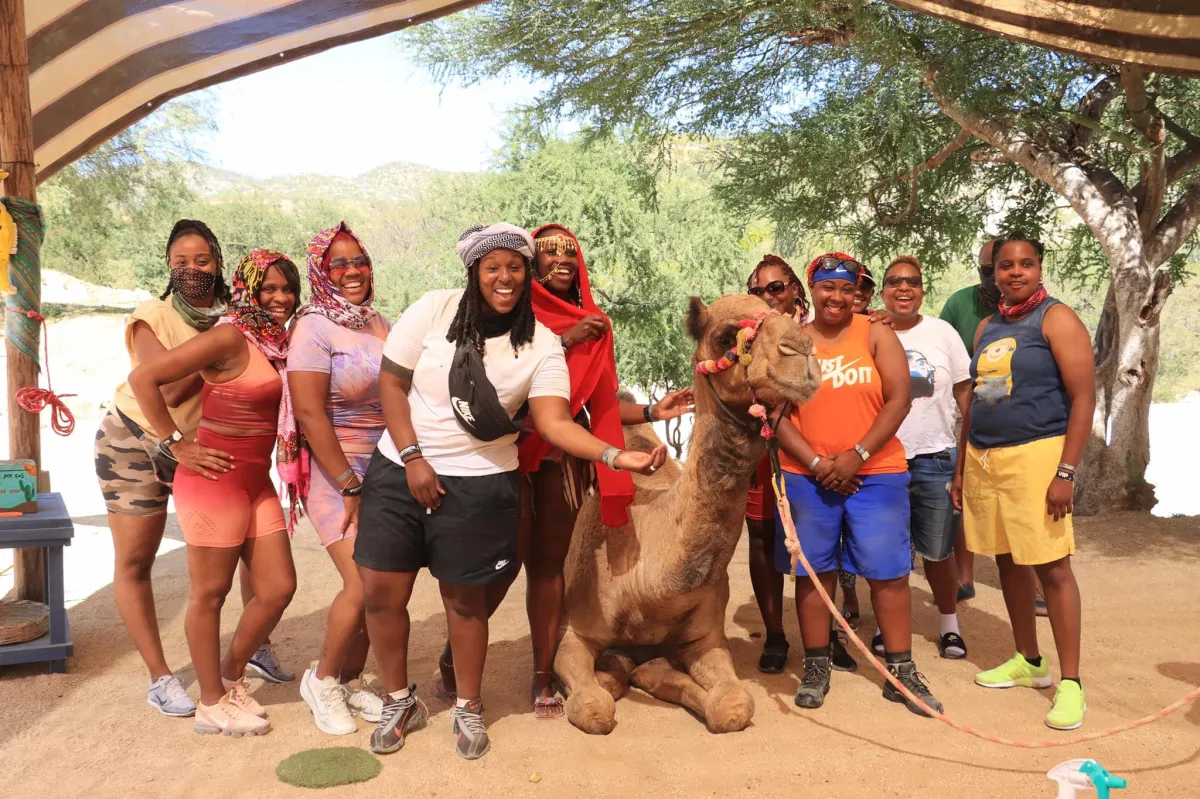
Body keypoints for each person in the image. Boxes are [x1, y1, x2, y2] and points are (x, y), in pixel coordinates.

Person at [354, 224, 665, 760]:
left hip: (480, 482)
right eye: (492, 266)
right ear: (474, 271)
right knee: (382, 593)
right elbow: (391, 383)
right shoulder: (434, 309)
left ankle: (470, 706)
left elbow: (554, 422)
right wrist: (412, 458)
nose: (505, 276)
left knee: (465, 602)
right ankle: (399, 698)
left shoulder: (540, 343)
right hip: (400, 470)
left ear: (526, 275)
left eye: (515, 266)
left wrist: (615, 455)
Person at [129, 249, 302, 737]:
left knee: (277, 588)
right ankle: (209, 703)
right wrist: (175, 443)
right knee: (210, 593)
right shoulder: (230, 334)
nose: (280, 297)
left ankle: (228, 677)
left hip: (254, 481)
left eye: (287, 287)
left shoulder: (281, 342)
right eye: (268, 288)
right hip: (213, 480)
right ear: (247, 289)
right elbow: (145, 377)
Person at [775, 252, 942, 716]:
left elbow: (899, 398)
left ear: (857, 293)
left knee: (888, 573)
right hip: (809, 475)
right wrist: (817, 463)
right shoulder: (793, 341)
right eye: (828, 287)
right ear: (813, 289)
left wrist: (857, 456)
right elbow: (777, 414)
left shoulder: (877, 332)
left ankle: (900, 670)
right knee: (814, 572)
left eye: (847, 289)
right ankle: (816, 663)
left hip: (876, 472)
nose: (837, 297)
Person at [951, 236, 1095, 731]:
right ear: (993, 274)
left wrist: (1066, 472)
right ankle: (1028, 661)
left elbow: (1083, 398)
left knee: (1052, 567)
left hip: (1038, 456)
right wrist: (961, 466)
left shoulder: (1056, 319)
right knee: (1008, 559)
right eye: (1005, 266)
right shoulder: (989, 327)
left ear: (1039, 268)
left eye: (1025, 264)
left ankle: (1071, 684)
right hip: (985, 458)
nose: (1014, 273)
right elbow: (979, 400)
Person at [94, 219, 229, 718]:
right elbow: (165, 391)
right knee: (135, 561)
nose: (192, 270)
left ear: (218, 261)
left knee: (230, 548)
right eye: (181, 263)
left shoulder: (230, 316)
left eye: (202, 260)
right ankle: (160, 677)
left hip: (200, 444)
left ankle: (253, 646)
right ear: (168, 268)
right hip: (134, 439)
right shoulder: (152, 313)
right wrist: (224, 347)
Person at [289, 223, 392, 734]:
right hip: (338, 474)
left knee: (383, 582)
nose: (352, 271)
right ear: (320, 273)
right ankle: (323, 678)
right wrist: (349, 482)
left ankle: (350, 683)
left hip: (386, 470)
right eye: (339, 264)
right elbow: (309, 413)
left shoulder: (378, 322)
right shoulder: (312, 327)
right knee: (363, 581)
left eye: (359, 260)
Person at [881, 256, 971, 660]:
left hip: (936, 457)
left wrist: (964, 466)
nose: (904, 288)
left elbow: (966, 401)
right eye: (895, 281)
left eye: (912, 282)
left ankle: (949, 625)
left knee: (938, 552)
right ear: (882, 291)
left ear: (922, 290)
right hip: (884, 460)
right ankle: (889, 628)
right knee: (891, 552)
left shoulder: (943, 333)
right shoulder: (869, 332)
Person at [743, 255, 808, 674]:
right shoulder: (743, 339)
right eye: (756, 291)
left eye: (775, 288)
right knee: (763, 538)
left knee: (817, 540)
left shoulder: (823, 332)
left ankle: (825, 635)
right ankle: (775, 635)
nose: (767, 297)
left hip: (814, 452)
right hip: (762, 454)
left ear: (795, 290)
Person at [938, 240, 999, 604]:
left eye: (999, 268)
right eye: (985, 270)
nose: (992, 277)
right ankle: (964, 576)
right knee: (960, 490)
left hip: (1017, 411)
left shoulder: (1037, 309)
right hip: (967, 404)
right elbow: (939, 349)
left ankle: (1038, 581)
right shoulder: (960, 303)